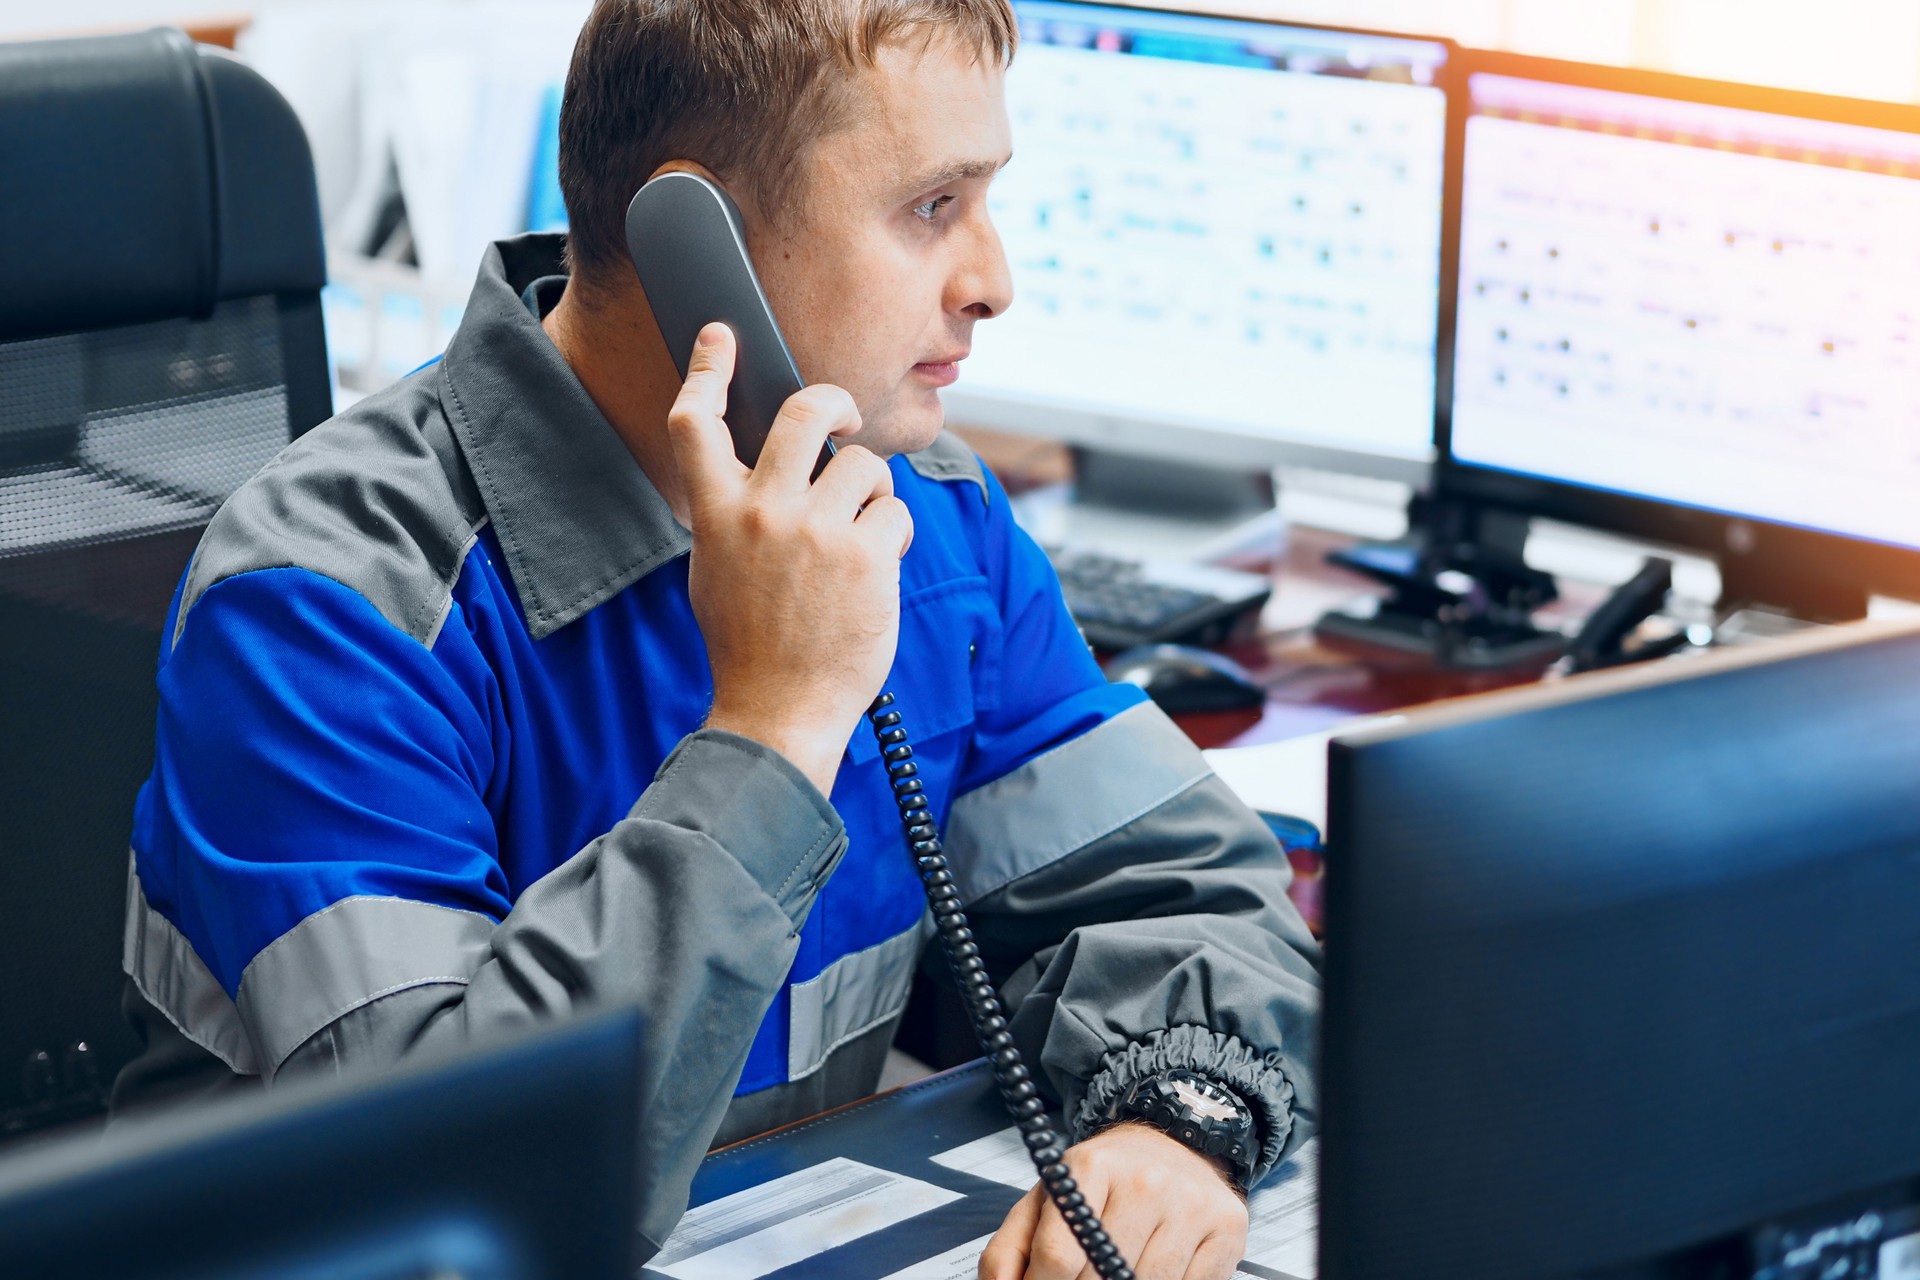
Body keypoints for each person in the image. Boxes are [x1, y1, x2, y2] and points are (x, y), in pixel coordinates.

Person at [114, 2, 1321, 1275]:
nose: (992, 280)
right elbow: (456, 1209)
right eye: (931, 207)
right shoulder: (326, 604)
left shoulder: (930, 528)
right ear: (696, 242)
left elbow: (1200, 901)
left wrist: (1175, 1121)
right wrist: (775, 722)